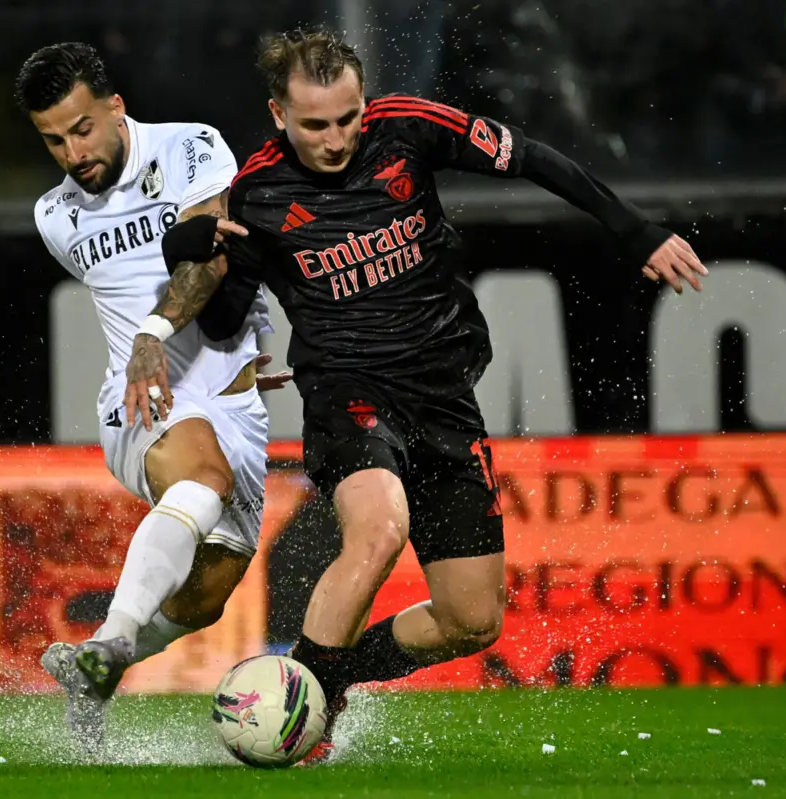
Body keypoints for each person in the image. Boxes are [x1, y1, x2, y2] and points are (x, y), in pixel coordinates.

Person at [122, 27, 709, 763]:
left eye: (347, 118)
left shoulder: (410, 126)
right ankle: (290, 714)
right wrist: (193, 253)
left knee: (472, 618)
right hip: (346, 389)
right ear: (279, 115)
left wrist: (636, 231)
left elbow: (532, 157)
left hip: (444, 396)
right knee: (378, 529)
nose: (336, 139)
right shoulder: (260, 194)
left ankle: (319, 681)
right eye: (314, 125)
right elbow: (225, 319)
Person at [14, 42, 290, 755]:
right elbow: (164, 285)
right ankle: (111, 635)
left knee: (205, 597)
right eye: (53, 140)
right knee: (203, 478)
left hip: (232, 400)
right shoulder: (56, 217)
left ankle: (94, 667)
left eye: (81, 129)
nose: (73, 152)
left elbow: (209, 254)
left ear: (115, 106)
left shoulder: (190, 148)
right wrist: (150, 342)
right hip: (140, 395)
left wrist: (227, 353)